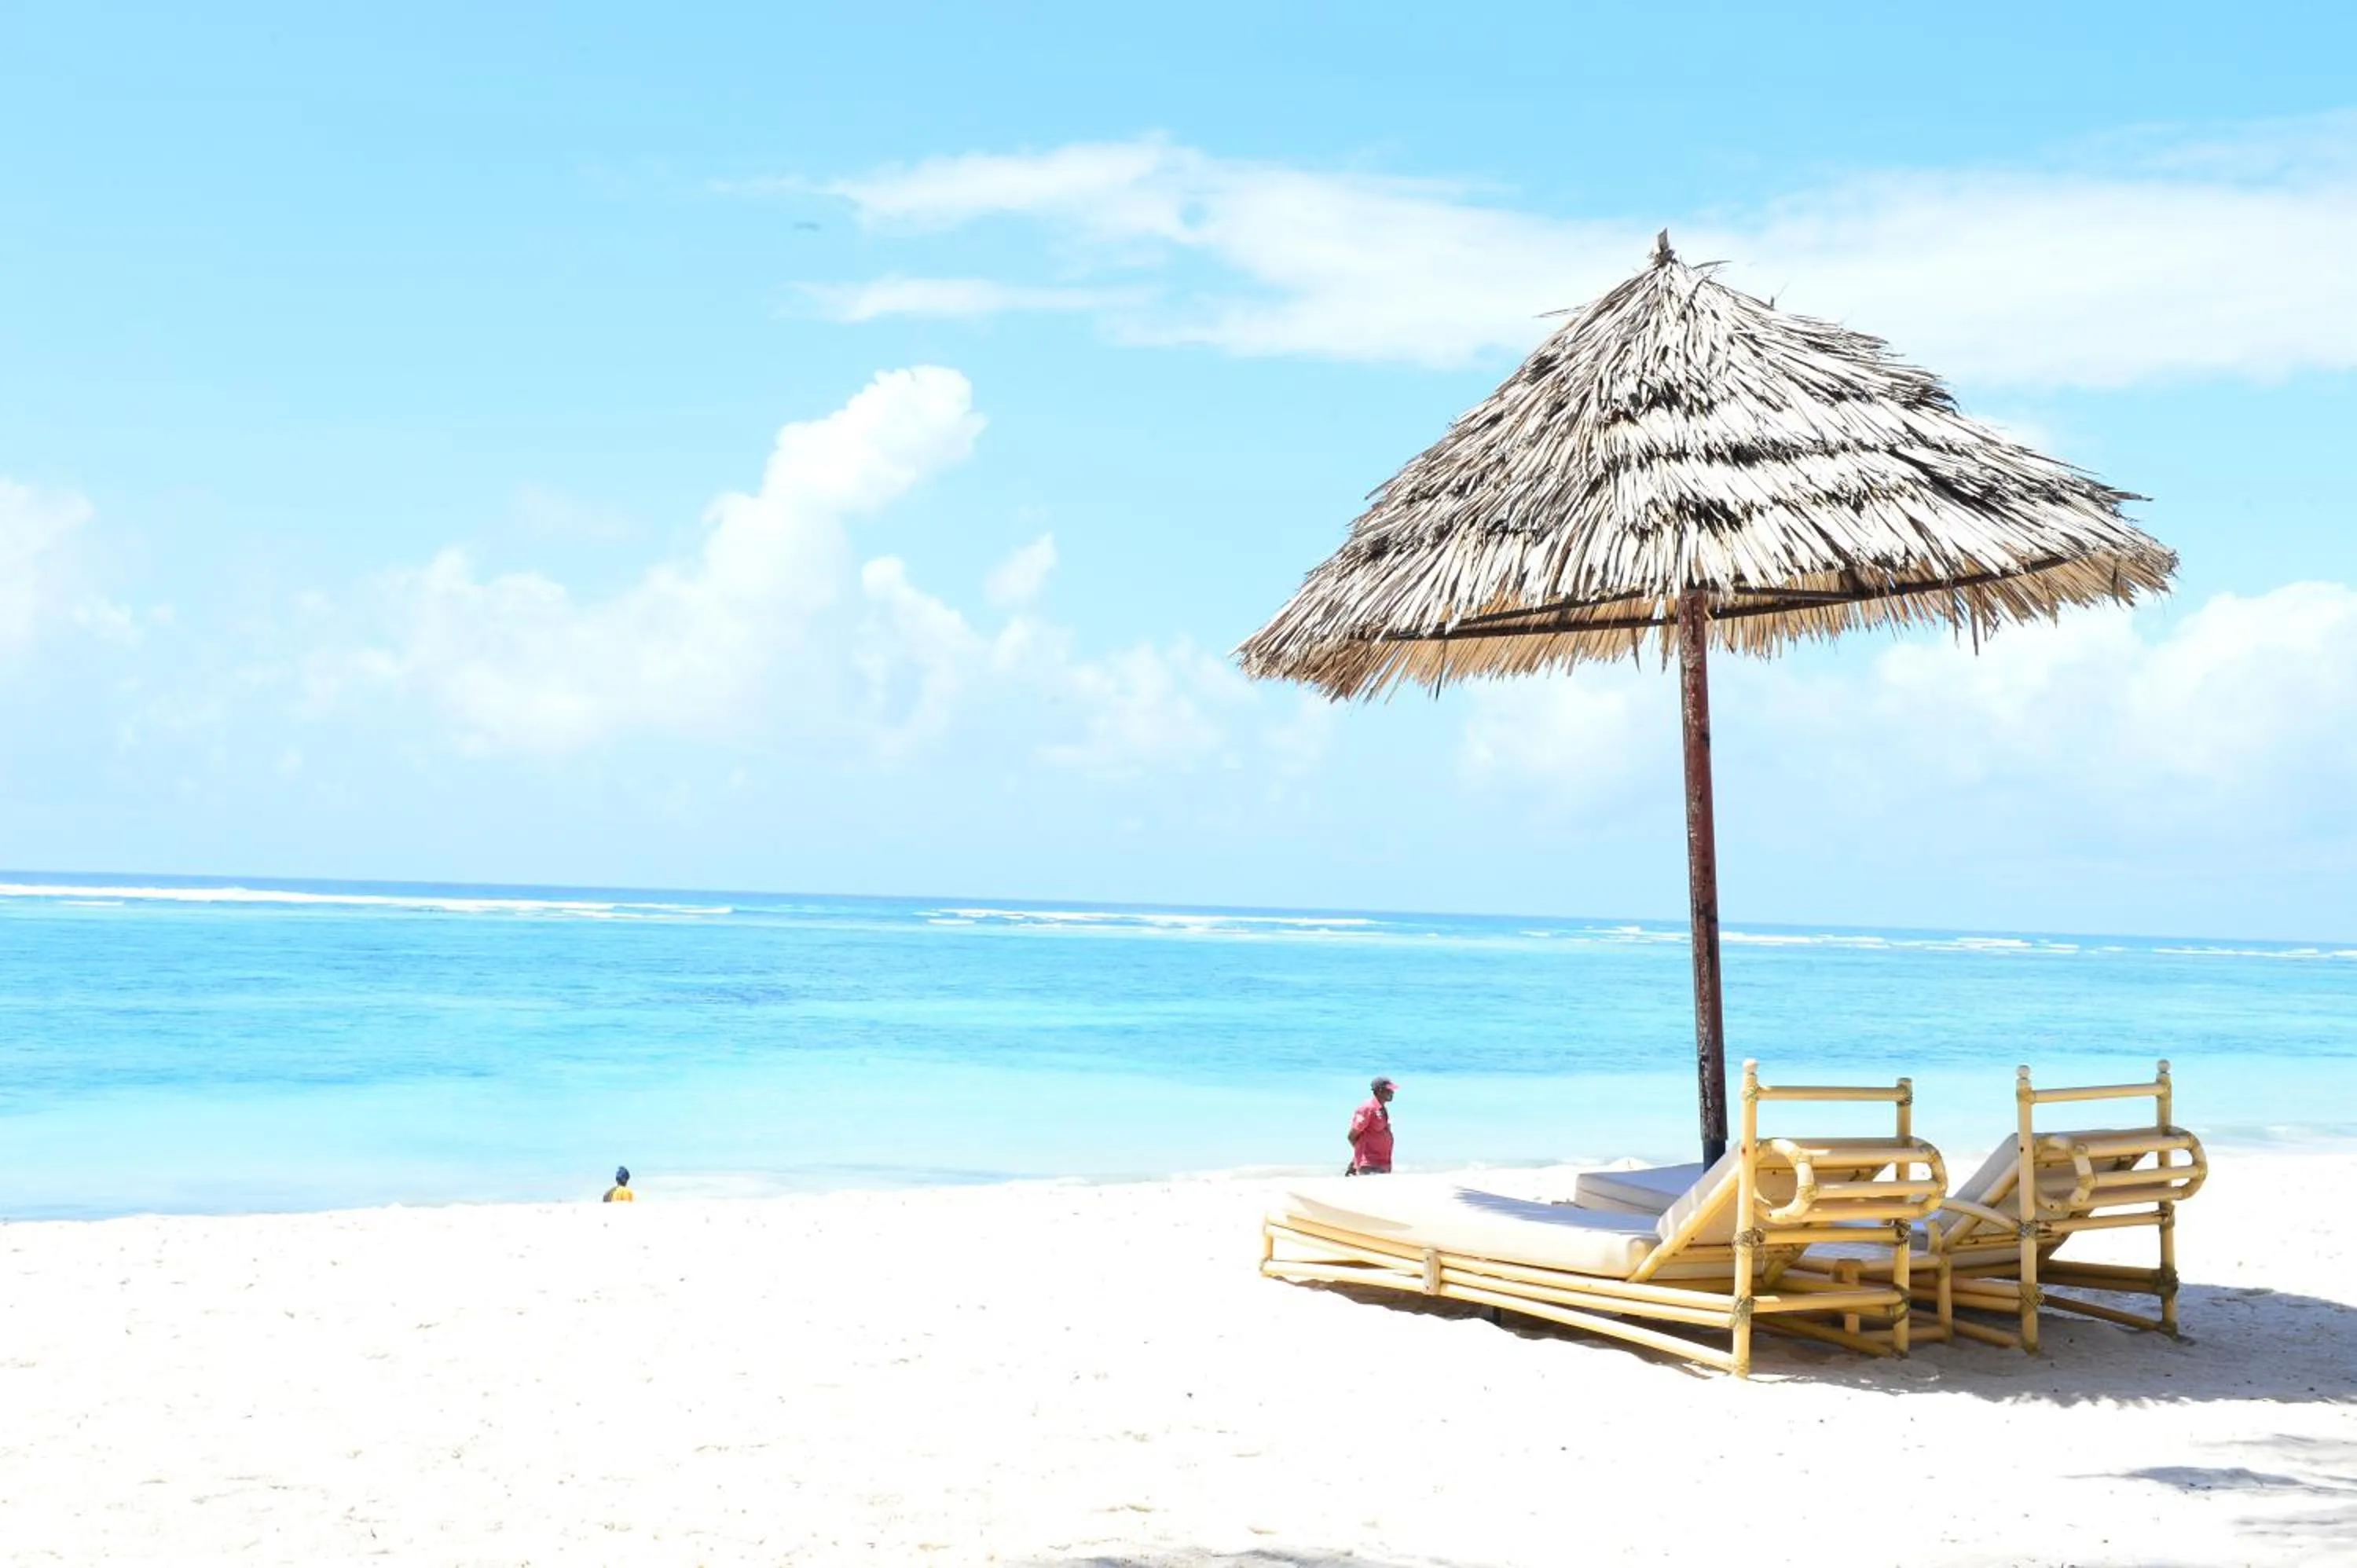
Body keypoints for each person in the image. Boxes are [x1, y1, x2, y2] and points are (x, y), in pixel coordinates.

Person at [1346, 1076, 1396, 1174]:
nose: (1392, 1092)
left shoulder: (1381, 1109)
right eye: (1389, 1090)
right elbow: (1352, 1136)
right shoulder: (1367, 1108)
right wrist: (1360, 1155)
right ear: (1380, 1090)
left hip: (1383, 1163)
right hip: (1369, 1165)